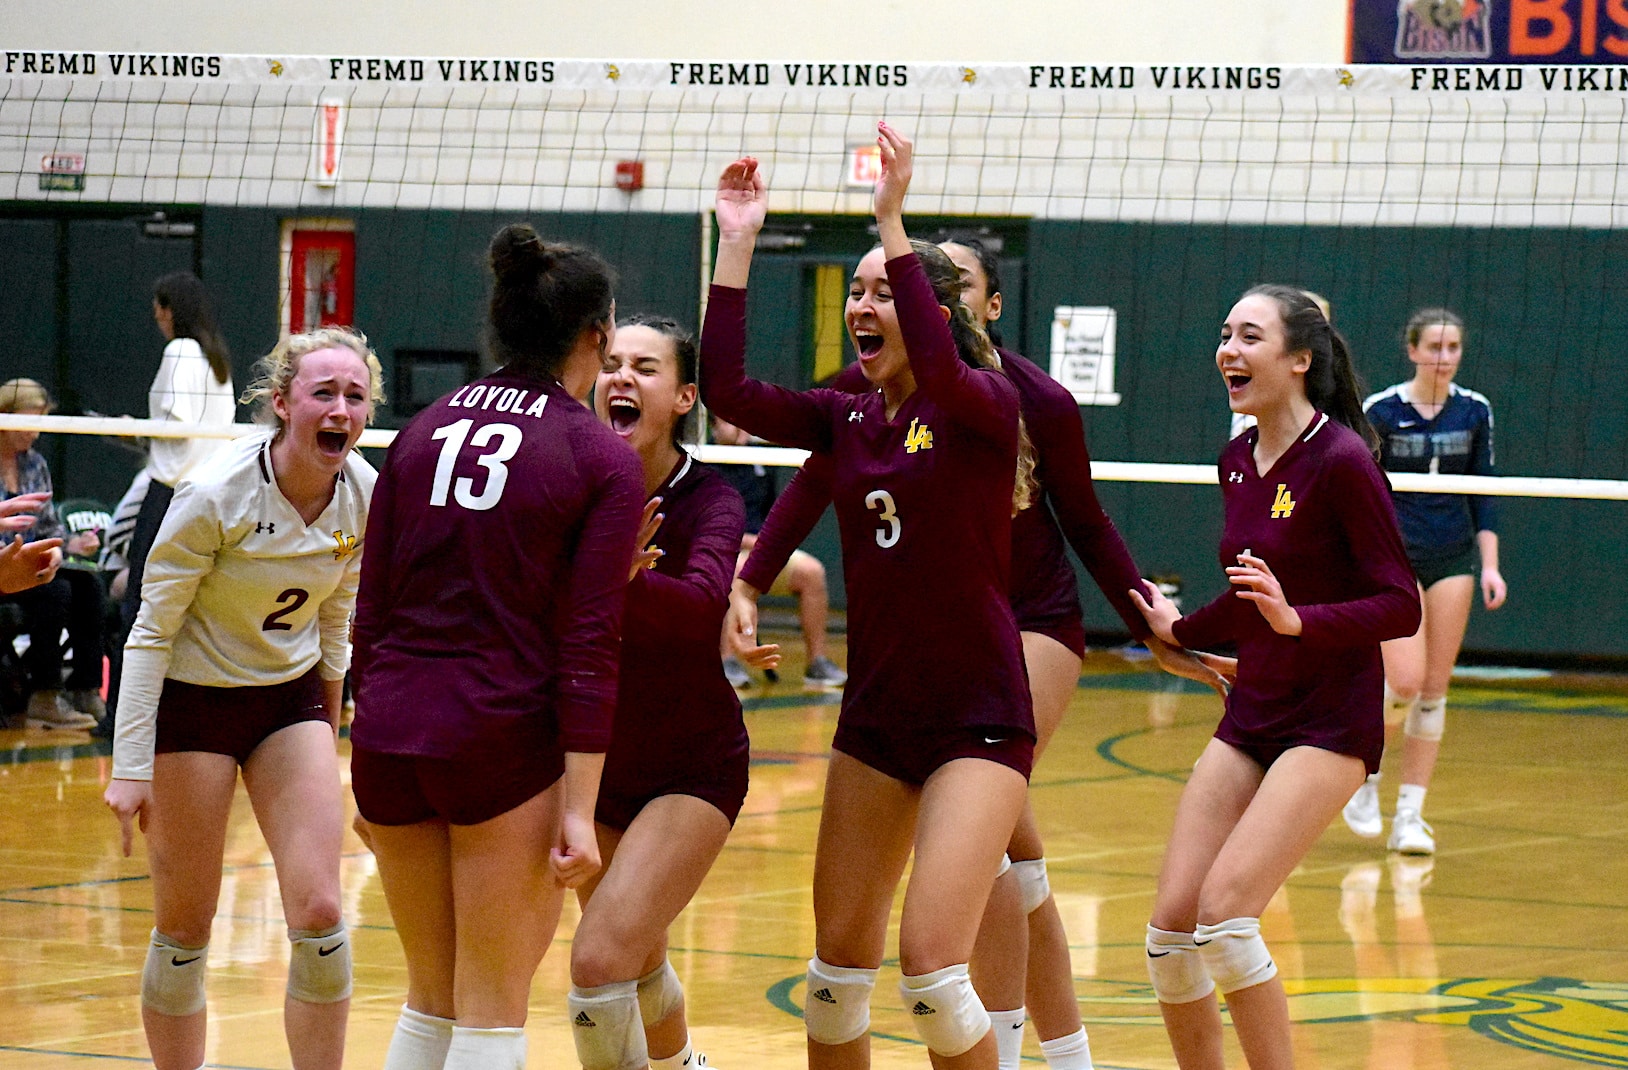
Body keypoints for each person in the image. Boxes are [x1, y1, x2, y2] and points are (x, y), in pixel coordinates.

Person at [727, 239, 1226, 1070]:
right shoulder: (870, 390)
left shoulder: (1028, 398)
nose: (914, 302)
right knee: (1009, 862)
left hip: (1031, 621)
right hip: (916, 644)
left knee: (988, 850)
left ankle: (1029, 1047)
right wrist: (749, 578)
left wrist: (1149, 623)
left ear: (985, 307)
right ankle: (1042, 1050)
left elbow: (1087, 520)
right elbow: (817, 475)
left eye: (944, 287)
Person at [703, 127, 1036, 1070]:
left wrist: (892, 220)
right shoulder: (846, 415)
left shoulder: (983, 405)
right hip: (877, 718)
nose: (862, 304)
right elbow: (726, 389)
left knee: (932, 975)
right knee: (834, 982)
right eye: (856, 291)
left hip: (978, 716)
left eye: (885, 291)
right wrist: (736, 243)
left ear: (930, 312)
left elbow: (941, 365)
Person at [348, 224, 643, 1070]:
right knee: (490, 1009)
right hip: (498, 739)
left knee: (429, 1000)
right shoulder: (599, 455)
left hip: (390, 734)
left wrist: (362, 743)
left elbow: (371, 609)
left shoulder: (420, 430)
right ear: (598, 335)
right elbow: (591, 641)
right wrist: (581, 808)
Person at [1129, 285, 1421, 1070]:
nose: (1228, 349)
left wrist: (1299, 622)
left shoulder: (1343, 460)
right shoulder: (1235, 461)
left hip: (1330, 720)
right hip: (1254, 708)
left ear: (1298, 360)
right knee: (1170, 937)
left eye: (1249, 336)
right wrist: (1180, 632)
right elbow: (1249, 591)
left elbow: (1400, 604)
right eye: (1225, 334)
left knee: (1226, 920)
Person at [101, 327, 383, 1070]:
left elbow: (337, 614)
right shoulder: (213, 494)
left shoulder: (364, 495)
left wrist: (331, 722)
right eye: (324, 393)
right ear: (282, 403)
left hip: (288, 703)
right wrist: (130, 767)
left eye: (356, 397)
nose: (342, 409)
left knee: (322, 915)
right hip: (192, 705)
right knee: (185, 931)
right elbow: (148, 633)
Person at [568, 314, 747, 1070]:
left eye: (646, 368)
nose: (622, 378)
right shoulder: (566, 485)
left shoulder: (712, 500)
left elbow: (700, 610)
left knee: (597, 962)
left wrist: (618, 579)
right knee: (635, 962)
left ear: (683, 397)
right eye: (612, 363)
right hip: (593, 765)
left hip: (690, 768)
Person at [1341, 308, 1506, 855]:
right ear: (1412, 350)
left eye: (1453, 347)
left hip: (1452, 556)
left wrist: (1490, 565)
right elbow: (1359, 490)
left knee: (1434, 691)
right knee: (1406, 682)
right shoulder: (1381, 411)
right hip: (1395, 559)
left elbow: (1485, 492)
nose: (1444, 357)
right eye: (1434, 347)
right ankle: (1366, 778)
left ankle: (1410, 816)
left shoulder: (1475, 410)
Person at [99, 273, 236, 740]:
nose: (155, 316)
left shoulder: (179, 352)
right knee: (196, 608)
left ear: (168, 309)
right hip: (210, 496)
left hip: (170, 495)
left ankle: (123, 716)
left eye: (158, 307)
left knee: (140, 607)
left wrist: (133, 430)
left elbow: (175, 427)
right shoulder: (217, 359)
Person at [708, 412, 847, 689]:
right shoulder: (705, 462)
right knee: (735, 572)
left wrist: (766, 545)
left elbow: (773, 514)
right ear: (713, 427)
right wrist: (748, 542)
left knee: (811, 572)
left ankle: (817, 662)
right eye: (729, 422)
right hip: (725, 552)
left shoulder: (760, 460)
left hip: (760, 550)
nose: (739, 428)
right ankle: (726, 661)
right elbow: (707, 526)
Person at [0, 378, 106, 729]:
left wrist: (67, 545)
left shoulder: (35, 464)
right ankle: (44, 695)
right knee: (56, 591)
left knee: (88, 586)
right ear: (5, 417)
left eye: (42, 423)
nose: (36, 432)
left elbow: (48, 528)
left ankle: (85, 689)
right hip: (3, 569)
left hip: (31, 566)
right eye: (30, 422)